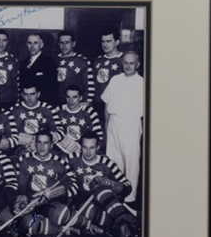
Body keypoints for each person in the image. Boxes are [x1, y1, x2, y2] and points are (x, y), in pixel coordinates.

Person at [65, 132, 139, 237]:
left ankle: (123, 224)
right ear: (80, 147)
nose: (88, 152)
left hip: (107, 202)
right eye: (85, 148)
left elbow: (127, 186)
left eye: (92, 148)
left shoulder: (107, 163)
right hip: (85, 202)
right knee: (86, 210)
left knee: (101, 190)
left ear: (98, 147)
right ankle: (122, 226)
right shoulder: (71, 159)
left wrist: (109, 182)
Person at [12, 131, 79, 237]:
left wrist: (51, 193)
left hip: (51, 204)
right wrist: (22, 202)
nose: (42, 146)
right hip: (32, 203)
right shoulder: (24, 159)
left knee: (60, 214)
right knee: (29, 226)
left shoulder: (60, 162)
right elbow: (21, 186)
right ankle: (61, 229)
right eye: (39, 142)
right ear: (35, 143)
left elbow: (74, 185)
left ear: (51, 145)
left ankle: (87, 225)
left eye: (46, 143)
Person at [100, 51, 145, 203]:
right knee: (113, 160)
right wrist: (106, 126)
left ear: (138, 64)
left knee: (131, 162)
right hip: (113, 123)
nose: (128, 66)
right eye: (125, 62)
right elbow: (107, 105)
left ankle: (130, 199)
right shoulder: (115, 80)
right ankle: (114, 197)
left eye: (131, 63)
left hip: (131, 124)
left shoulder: (142, 83)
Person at [8, 83, 63, 155]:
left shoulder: (48, 108)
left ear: (38, 94)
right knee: (23, 154)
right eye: (26, 94)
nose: (29, 98)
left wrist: (38, 142)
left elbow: (60, 131)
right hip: (24, 146)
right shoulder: (14, 109)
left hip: (45, 145)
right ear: (22, 95)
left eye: (32, 94)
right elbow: (12, 133)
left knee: (54, 154)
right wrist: (33, 141)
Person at [55, 84, 104, 157]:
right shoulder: (58, 111)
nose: (71, 101)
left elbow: (99, 136)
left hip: (83, 151)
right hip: (63, 151)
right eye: (68, 97)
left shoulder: (89, 112)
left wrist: (82, 147)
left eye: (74, 97)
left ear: (80, 98)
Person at [18, 33, 59, 107]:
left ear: (41, 45)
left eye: (35, 43)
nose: (32, 46)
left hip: (43, 106)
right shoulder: (23, 63)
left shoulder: (49, 63)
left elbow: (51, 90)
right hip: (26, 106)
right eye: (29, 43)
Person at [92, 29, 125, 117]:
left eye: (108, 41)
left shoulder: (124, 60)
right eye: (103, 41)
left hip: (117, 104)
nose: (105, 44)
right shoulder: (98, 60)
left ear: (117, 42)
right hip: (98, 103)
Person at [56, 31, 94, 104]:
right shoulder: (54, 60)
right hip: (58, 103)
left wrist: (87, 101)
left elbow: (89, 85)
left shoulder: (82, 61)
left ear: (73, 44)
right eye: (61, 43)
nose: (64, 46)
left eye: (67, 42)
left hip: (76, 104)